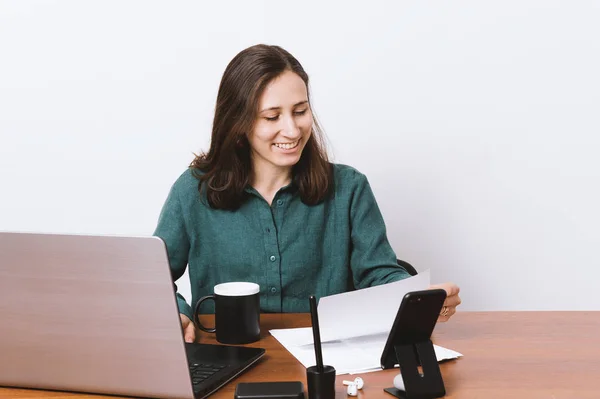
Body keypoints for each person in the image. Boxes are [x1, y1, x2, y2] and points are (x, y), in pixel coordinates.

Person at [154, 44, 461, 343]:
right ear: (238, 123)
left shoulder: (349, 188)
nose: (292, 130)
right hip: (226, 352)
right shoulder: (193, 191)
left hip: (324, 357)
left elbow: (378, 273)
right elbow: (153, 280)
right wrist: (177, 313)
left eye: (300, 111)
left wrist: (419, 299)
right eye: (272, 117)